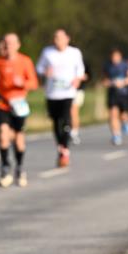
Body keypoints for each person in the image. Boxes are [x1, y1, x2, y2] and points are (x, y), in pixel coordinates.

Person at [0, 33, 38, 187]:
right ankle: (5, 168)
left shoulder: (25, 61)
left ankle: (20, 168)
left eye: (11, 43)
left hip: (19, 105)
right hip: (3, 104)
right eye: (6, 43)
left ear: (18, 45)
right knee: (3, 135)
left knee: (18, 138)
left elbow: (34, 83)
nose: (8, 46)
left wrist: (22, 83)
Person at [36, 28, 85, 168]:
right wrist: (45, 71)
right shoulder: (47, 52)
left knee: (66, 118)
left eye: (60, 38)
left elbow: (80, 70)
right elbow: (38, 68)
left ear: (67, 39)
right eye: (55, 38)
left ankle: (65, 147)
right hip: (52, 93)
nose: (57, 40)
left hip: (68, 92)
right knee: (56, 121)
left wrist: (77, 80)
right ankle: (60, 145)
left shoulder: (74, 53)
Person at [103, 49, 128, 146]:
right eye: (112, 57)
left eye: (116, 57)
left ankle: (126, 122)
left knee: (123, 115)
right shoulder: (107, 66)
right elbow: (105, 80)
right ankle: (116, 135)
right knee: (112, 114)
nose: (114, 59)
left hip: (124, 94)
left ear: (120, 57)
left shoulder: (125, 65)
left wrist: (123, 82)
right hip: (113, 94)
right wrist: (110, 83)